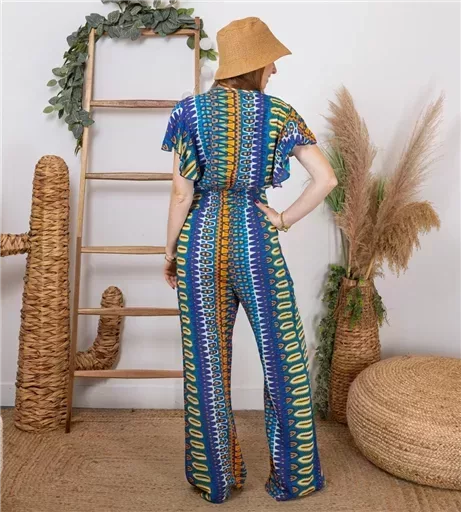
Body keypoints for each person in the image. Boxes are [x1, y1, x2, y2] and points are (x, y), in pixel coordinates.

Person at [160, 16, 337, 504]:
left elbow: (181, 192)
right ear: (254, 65)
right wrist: (282, 219)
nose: (275, 70)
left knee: (206, 364)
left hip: (199, 245)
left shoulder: (189, 112)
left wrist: (169, 250)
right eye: (271, 61)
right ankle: (296, 478)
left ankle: (215, 480)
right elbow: (326, 179)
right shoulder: (279, 113)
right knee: (285, 361)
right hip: (255, 243)